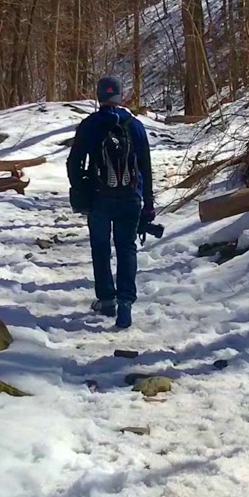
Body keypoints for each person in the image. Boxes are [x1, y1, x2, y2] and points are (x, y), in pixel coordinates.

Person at [67, 76, 154, 330]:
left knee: (101, 247)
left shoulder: (89, 125)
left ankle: (106, 299)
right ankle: (126, 302)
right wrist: (148, 202)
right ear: (120, 95)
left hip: (99, 197)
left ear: (98, 97)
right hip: (130, 197)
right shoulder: (134, 125)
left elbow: (74, 162)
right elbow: (146, 167)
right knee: (126, 247)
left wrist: (80, 190)